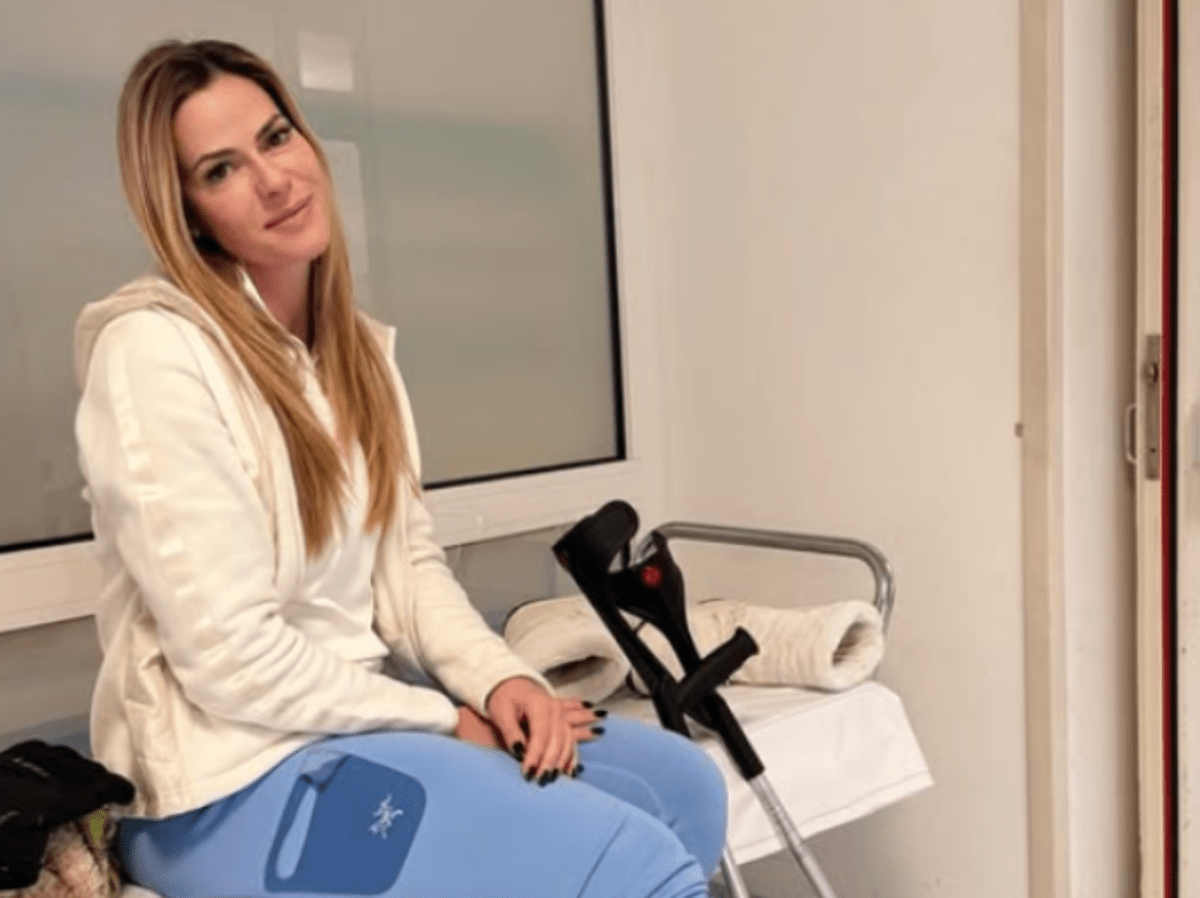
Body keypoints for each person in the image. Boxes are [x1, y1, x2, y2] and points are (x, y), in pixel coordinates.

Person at [73, 39, 727, 898]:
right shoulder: (153, 353)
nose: (273, 179)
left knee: (682, 788)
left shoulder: (357, 357)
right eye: (221, 170)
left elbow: (409, 570)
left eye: (275, 138)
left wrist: (503, 681)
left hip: (358, 731)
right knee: (634, 863)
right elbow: (230, 657)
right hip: (227, 783)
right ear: (188, 213)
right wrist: (443, 718)